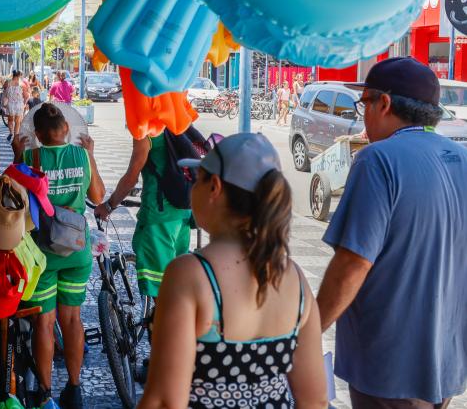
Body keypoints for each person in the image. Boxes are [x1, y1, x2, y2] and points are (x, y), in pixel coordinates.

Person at [317, 57, 467, 409]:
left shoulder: (377, 160)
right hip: (446, 361)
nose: (362, 114)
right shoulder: (461, 159)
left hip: (388, 366)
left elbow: (353, 264)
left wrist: (310, 330)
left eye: (364, 102)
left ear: (383, 103)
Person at [138, 133, 327, 408]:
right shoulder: (294, 279)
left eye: (196, 179)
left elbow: (165, 401)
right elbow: (315, 400)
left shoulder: (190, 275)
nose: (190, 188)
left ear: (214, 186)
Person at [12, 104, 105, 409]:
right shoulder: (80, 155)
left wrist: (17, 154)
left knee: (44, 322)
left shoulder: (31, 157)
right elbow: (97, 196)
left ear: (37, 134)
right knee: (73, 319)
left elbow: (14, 196)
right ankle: (75, 388)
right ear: (66, 128)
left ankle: (45, 392)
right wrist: (89, 154)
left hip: (43, 252)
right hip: (77, 249)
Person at [93, 133, 192, 299]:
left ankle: (164, 323)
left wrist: (109, 205)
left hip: (158, 218)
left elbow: (132, 177)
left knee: (160, 290)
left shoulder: (147, 131)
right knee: (176, 281)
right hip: (182, 213)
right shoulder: (175, 122)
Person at [3, 71, 25, 141]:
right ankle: (16, 136)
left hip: (10, 103)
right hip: (19, 104)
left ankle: (11, 133)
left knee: (10, 120)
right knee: (17, 121)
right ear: (19, 76)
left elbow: (4, 89)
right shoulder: (21, 83)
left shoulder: (8, 82)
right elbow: (25, 94)